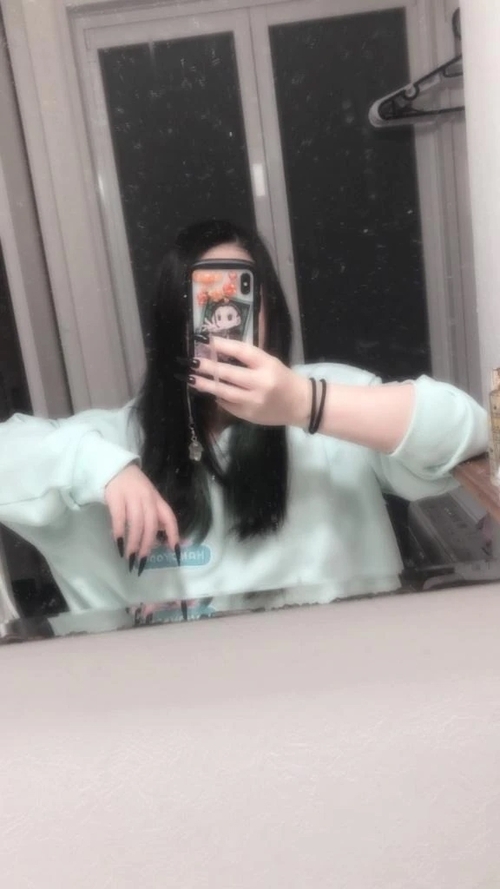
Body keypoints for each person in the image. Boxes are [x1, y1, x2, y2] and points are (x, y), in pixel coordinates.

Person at [0, 219, 488, 625]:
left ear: (269, 315)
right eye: (203, 303)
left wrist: (303, 404)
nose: (223, 323)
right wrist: (100, 468)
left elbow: (467, 431)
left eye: (242, 300)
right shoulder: (117, 440)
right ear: (172, 323)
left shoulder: (325, 401)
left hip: (352, 684)